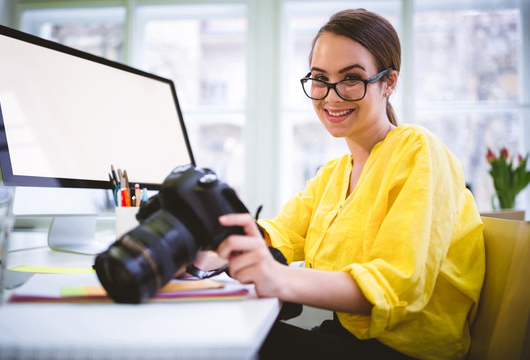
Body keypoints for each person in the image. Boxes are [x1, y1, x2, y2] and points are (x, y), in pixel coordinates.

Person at [197, 8, 485, 360]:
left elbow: (397, 286)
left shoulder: (417, 150)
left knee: (219, 346)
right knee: (220, 332)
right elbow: (282, 233)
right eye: (320, 78)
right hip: (345, 340)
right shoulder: (333, 174)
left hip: (405, 353)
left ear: (389, 82)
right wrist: (205, 254)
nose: (331, 96)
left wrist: (277, 277)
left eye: (351, 78)